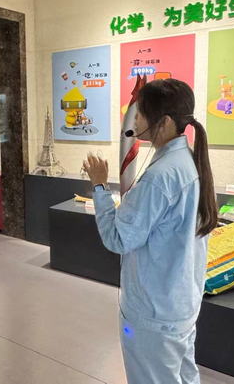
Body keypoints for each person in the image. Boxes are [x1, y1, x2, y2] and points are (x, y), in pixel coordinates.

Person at [83, 78, 217, 384]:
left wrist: (100, 187)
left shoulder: (160, 176)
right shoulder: (188, 162)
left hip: (154, 312)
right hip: (180, 303)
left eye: (141, 114)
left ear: (165, 122)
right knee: (183, 375)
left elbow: (118, 239)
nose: (135, 122)